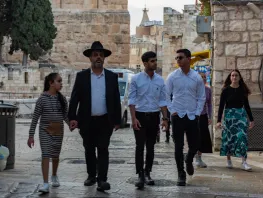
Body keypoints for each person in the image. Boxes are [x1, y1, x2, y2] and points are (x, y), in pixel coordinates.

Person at [68, 41, 121, 192]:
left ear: (104, 58)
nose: (98, 57)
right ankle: (91, 175)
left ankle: (102, 179)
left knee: (103, 149)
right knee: (89, 149)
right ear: (90, 58)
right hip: (87, 120)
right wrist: (72, 117)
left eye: (101, 55)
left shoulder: (111, 77)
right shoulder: (82, 76)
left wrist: (117, 120)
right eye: (95, 55)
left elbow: (116, 99)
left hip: (105, 120)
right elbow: (75, 99)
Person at [128, 51, 169, 189]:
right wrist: (133, 118)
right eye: (152, 61)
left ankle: (147, 173)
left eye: (155, 60)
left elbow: (163, 100)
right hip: (140, 115)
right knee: (140, 146)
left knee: (151, 147)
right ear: (145, 63)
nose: (155, 63)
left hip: (154, 116)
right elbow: (132, 100)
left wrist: (165, 118)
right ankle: (139, 174)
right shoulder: (136, 79)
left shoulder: (160, 80)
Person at [165, 49, 205, 186]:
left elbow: (201, 97)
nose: (178, 60)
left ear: (188, 59)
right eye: (176, 58)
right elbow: (165, 95)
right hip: (178, 115)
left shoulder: (197, 77)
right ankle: (181, 174)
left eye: (180, 57)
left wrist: (198, 113)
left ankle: (188, 159)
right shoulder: (172, 77)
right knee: (178, 146)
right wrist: (172, 110)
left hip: (192, 115)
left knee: (195, 144)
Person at [27, 73, 69, 193]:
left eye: (61, 81)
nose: (61, 84)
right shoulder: (42, 99)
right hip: (45, 131)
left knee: (55, 156)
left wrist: (73, 124)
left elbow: (65, 116)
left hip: (58, 131)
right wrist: (31, 136)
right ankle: (45, 183)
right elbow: (35, 118)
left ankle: (54, 175)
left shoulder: (62, 99)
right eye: (59, 81)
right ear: (51, 83)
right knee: (45, 155)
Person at [216, 69, 255, 171]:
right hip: (229, 117)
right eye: (232, 75)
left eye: (236, 75)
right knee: (229, 138)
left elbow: (247, 106)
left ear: (239, 77)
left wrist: (251, 119)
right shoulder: (225, 90)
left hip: (241, 116)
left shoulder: (243, 90)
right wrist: (219, 121)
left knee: (242, 137)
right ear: (230, 78)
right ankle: (229, 160)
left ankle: (244, 162)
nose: (234, 77)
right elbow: (221, 106)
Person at [195, 72, 213, 168]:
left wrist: (209, 117)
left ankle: (199, 157)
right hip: (193, 116)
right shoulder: (193, 90)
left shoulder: (208, 90)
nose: (203, 79)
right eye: (201, 77)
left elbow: (209, 104)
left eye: (204, 77)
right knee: (194, 137)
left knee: (203, 137)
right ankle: (192, 155)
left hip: (203, 116)